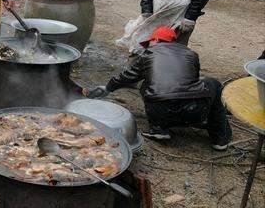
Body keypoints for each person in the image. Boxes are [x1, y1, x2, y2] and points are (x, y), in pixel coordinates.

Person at [87, 26, 232, 150]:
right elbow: (192, 80)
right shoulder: (191, 54)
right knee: (212, 84)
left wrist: (108, 88)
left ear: (155, 40)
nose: (148, 45)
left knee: (148, 85)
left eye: (149, 42)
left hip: (160, 110)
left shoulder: (149, 53)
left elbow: (127, 76)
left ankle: (158, 128)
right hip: (195, 111)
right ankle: (220, 138)